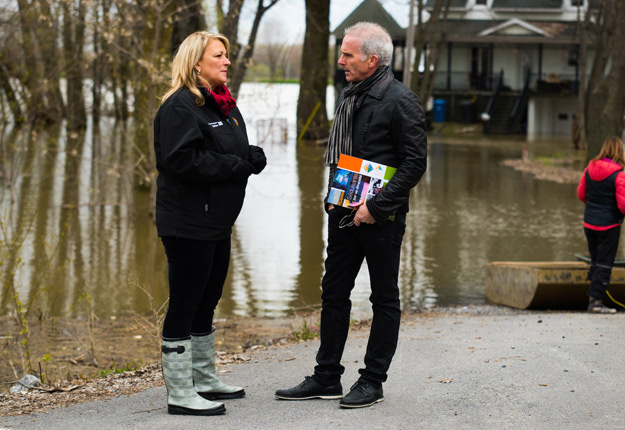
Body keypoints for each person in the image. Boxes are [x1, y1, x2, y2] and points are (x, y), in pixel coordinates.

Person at [275, 22, 427, 408]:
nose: (340, 60)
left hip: (382, 219)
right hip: (342, 214)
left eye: (347, 54)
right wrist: (332, 194)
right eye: (341, 53)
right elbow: (344, 155)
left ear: (372, 59)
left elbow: (414, 165)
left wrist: (375, 207)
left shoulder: (401, 101)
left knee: (384, 298)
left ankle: (372, 380)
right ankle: (327, 377)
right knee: (333, 294)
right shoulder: (350, 96)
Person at [153, 31, 266, 416]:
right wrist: (235, 166)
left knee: (207, 300)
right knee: (185, 303)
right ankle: (180, 393)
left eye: (227, 55)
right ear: (195, 62)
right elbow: (181, 160)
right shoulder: (180, 106)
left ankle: (204, 378)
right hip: (187, 223)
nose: (227, 61)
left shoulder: (222, 103)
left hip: (217, 222)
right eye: (219, 55)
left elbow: (225, 147)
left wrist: (251, 154)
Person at [577, 136, 625, 314]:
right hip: (609, 226)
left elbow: (581, 194)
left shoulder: (589, 169)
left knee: (596, 262)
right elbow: (623, 205)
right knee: (604, 264)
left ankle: (592, 297)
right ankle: (595, 303)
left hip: (589, 224)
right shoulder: (619, 175)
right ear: (619, 151)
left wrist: (594, 208)